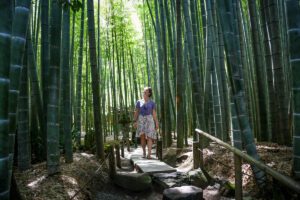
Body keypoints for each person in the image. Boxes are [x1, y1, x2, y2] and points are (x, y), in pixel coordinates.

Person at [133, 87, 159, 159]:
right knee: (142, 136)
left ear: (149, 93)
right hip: (141, 119)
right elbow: (136, 112)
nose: (144, 91)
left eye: (146, 91)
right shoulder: (139, 102)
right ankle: (144, 152)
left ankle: (149, 154)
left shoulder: (152, 102)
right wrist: (135, 121)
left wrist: (156, 122)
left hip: (150, 119)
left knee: (150, 137)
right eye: (144, 90)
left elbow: (154, 113)